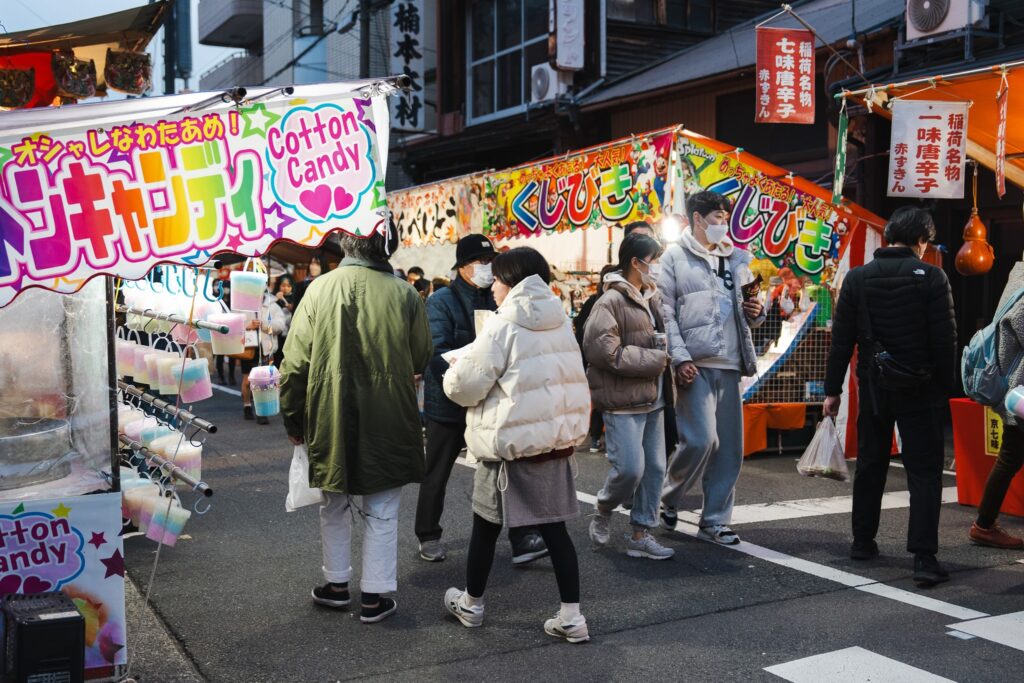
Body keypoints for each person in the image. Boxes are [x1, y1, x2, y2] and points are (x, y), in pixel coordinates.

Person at [280, 228, 432, 624]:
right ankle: (374, 596)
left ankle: (335, 585)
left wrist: (293, 418)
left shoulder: (317, 290)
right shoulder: (404, 294)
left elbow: (294, 364)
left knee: (333, 501)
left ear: (345, 244)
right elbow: (421, 356)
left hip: (329, 412)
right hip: (389, 411)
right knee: (381, 510)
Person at [441, 247, 591, 642]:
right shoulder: (560, 320)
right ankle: (572, 617)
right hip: (552, 443)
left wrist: (454, 371)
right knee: (555, 530)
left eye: (499, 280)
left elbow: (466, 387)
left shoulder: (502, 325)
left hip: (508, 446)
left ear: (514, 282)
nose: (493, 288)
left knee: (485, 527)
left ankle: (472, 605)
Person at [823, 206, 956, 587]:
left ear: (887, 237)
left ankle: (863, 542)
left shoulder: (858, 278)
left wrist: (832, 391)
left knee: (871, 462)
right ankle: (924, 559)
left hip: (874, 387)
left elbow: (841, 342)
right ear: (922, 241)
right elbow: (945, 340)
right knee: (924, 472)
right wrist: (944, 389)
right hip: (921, 388)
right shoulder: (932, 277)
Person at [416, 235, 548, 564]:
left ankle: (522, 536)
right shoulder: (441, 301)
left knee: (507, 468)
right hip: (448, 403)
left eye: (491, 262)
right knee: (437, 470)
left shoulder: (497, 299)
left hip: (490, 401)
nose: (487, 268)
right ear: (463, 266)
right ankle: (428, 534)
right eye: (481, 262)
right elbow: (436, 353)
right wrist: (466, 373)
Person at [658, 190, 765, 546]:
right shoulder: (674, 257)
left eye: (725, 215)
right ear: (697, 219)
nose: (722, 222)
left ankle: (715, 519)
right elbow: (665, 312)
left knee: (729, 448)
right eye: (717, 215)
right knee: (702, 439)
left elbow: (754, 308)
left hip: (732, 362)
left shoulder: (738, 258)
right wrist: (680, 357)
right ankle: (669, 496)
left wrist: (757, 312)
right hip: (696, 363)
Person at [584, 232, 675, 560]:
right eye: (655, 259)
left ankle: (641, 533)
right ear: (636, 262)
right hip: (624, 400)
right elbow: (603, 351)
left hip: (656, 396)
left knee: (654, 469)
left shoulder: (654, 297)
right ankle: (604, 507)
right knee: (630, 469)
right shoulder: (609, 301)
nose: (659, 266)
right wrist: (656, 360)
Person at [970, 263, 1024, 550]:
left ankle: (984, 524)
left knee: (1010, 456)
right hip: (1021, 389)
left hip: (1015, 390)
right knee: (1010, 456)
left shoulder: (1016, 277)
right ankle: (984, 524)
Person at [573, 264, 617, 453]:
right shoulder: (613, 302)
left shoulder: (593, 301)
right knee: (611, 399)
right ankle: (608, 440)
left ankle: (594, 438)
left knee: (598, 399)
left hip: (591, 358)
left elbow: (579, 328)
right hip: (609, 358)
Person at [241, 282, 287, 425]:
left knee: (263, 381)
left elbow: (280, 325)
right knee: (247, 381)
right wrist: (248, 326)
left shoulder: (272, 305)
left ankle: (262, 411)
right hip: (249, 346)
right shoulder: (243, 304)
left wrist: (265, 326)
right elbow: (235, 324)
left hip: (266, 347)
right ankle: (247, 405)